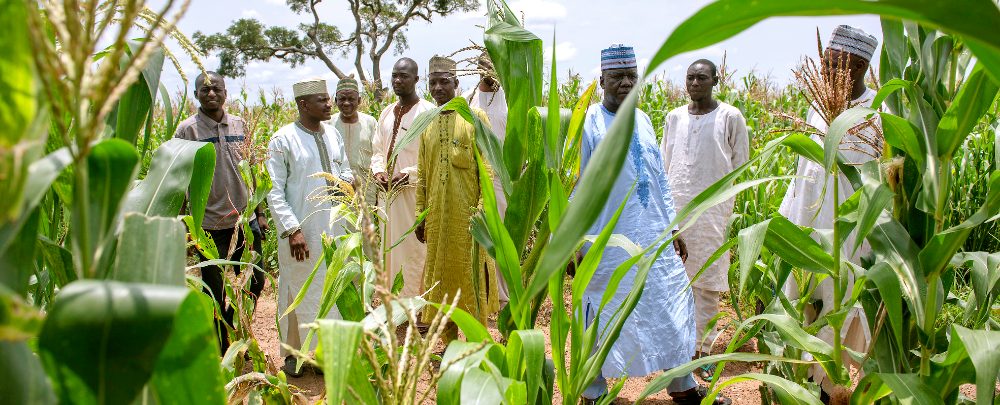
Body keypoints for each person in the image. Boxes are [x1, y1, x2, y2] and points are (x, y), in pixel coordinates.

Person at [576, 45, 729, 405]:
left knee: (669, 303)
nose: (626, 83)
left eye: (632, 76)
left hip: (653, 235)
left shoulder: (643, 119)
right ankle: (593, 392)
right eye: (617, 77)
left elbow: (659, 179)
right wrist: (575, 242)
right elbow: (576, 187)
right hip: (608, 241)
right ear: (602, 81)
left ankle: (682, 385)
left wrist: (673, 228)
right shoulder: (588, 125)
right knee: (603, 311)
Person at [778, 25, 880, 398]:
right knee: (810, 306)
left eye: (833, 64)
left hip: (853, 238)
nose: (824, 72)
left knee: (844, 309)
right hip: (809, 232)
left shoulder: (877, 112)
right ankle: (817, 386)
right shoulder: (819, 108)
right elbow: (803, 175)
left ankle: (833, 388)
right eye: (823, 63)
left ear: (857, 66)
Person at [661, 59, 749, 378]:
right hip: (676, 211)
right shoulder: (673, 118)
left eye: (702, 77)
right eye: (690, 78)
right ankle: (681, 349)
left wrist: (724, 205)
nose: (695, 83)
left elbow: (740, 165)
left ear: (715, 80)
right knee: (675, 282)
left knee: (707, 283)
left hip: (712, 213)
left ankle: (706, 351)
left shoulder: (730, 117)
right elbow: (664, 164)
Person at [174, 71, 267, 354]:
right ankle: (220, 345)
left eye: (216, 89)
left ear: (226, 92)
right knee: (215, 289)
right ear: (196, 95)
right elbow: (177, 178)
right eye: (205, 90)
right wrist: (183, 221)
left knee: (256, 278)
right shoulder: (187, 131)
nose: (211, 93)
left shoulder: (240, 124)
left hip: (244, 219)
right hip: (209, 224)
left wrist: (260, 213)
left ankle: (232, 324)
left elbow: (252, 170)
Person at [266, 78, 354, 377]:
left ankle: (324, 353)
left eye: (328, 99)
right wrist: (292, 230)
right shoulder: (282, 139)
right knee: (298, 289)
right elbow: (273, 190)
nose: (330, 104)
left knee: (330, 288)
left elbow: (344, 168)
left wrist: (347, 181)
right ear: (303, 105)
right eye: (323, 100)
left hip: (334, 226)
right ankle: (295, 354)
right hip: (301, 232)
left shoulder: (332, 134)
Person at [415, 55, 499, 340]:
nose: (438, 88)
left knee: (471, 278)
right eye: (433, 82)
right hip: (438, 220)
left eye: (444, 82)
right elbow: (423, 173)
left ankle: (478, 343)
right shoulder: (426, 123)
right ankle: (448, 343)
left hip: (469, 221)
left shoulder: (475, 118)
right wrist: (420, 216)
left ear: (456, 83)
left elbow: (487, 170)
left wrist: (481, 211)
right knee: (440, 284)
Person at [371, 57, 437, 298]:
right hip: (387, 197)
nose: (398, 81)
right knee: (390, 249)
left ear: (417, 80)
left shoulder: (428, 113)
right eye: (395, 76)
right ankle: (393, 301)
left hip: (413, 195)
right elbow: (378, 149)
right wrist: (379, 170)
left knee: (415, 249)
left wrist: (407, 175)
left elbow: (434, 159)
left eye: (404, 76)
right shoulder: (387, 111)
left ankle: (415, 304)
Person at [463, 52, 511, 305]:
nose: (489, 71)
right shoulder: (467, 101)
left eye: (494, 66)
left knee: (500, 238)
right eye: (485, 66)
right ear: (477, 69)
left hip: (502, 179)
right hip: (473, 179)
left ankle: (502, 297)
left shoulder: (511, 99)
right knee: (475, 238)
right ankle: (477, 294)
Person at [330, 75, 378, 206]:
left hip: (366, 191)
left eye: (351, 99)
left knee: (365, 226)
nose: (346, 103)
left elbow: (378, 156)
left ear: (359, 100)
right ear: (335, 101)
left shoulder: (370, 123)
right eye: (342, 99)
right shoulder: (328, 124)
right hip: (336, 191)